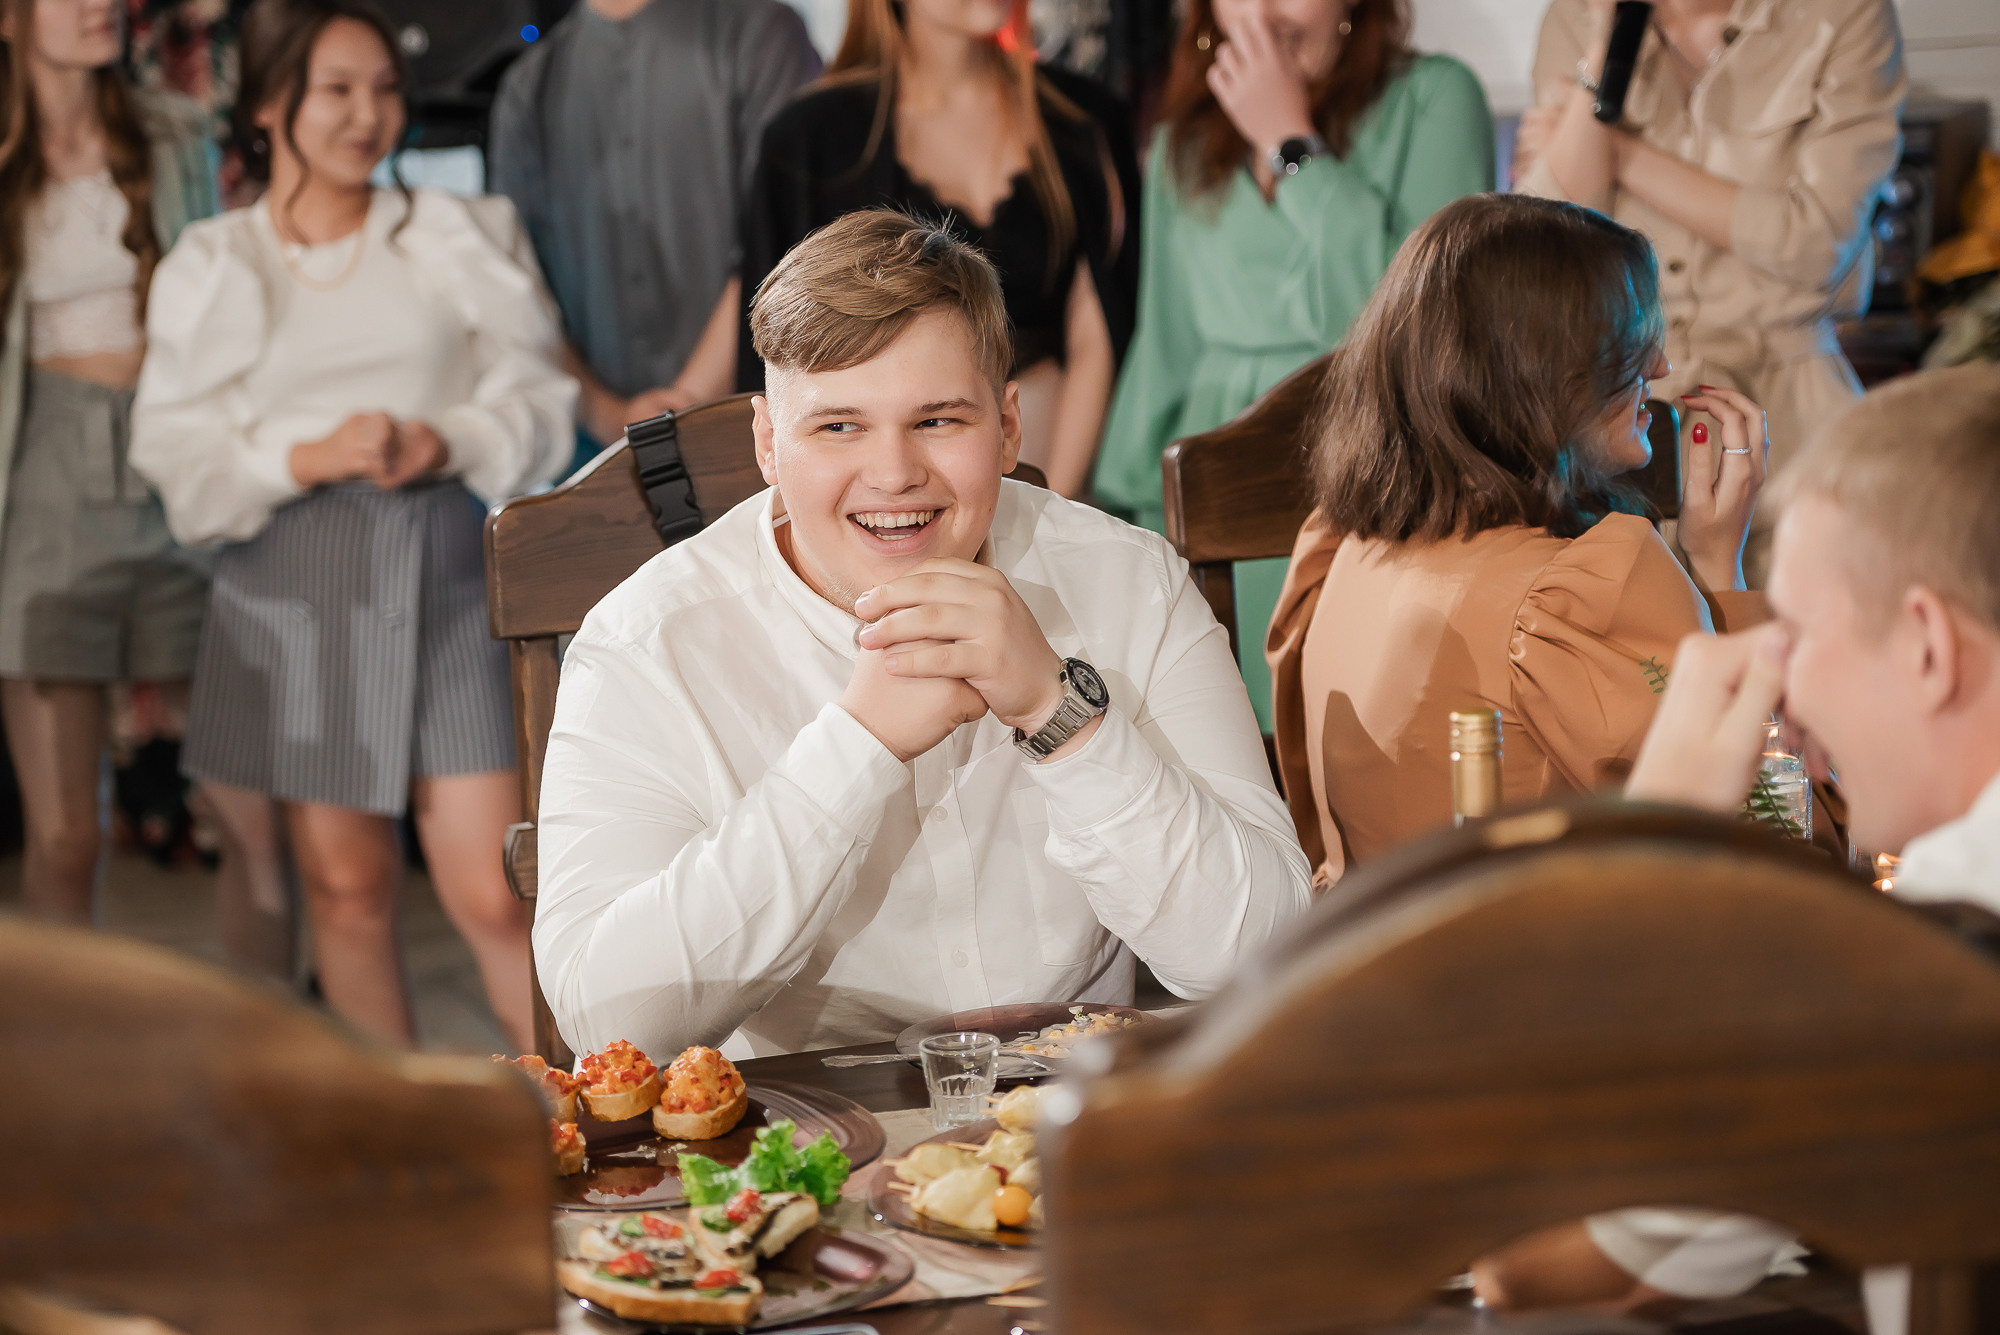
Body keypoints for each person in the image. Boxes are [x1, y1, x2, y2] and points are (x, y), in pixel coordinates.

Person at [534, 209, 1311, 1059]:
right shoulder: (645, 645)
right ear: (766, 443)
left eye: (938, 420)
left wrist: (1063, 717)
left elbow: (1258, 955)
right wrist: (855, 746)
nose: (896, 472)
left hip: (1071, 1125)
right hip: (799, 1144)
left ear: (1009, 426)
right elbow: (608, 1023)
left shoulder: (1131, 581)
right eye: (839, 425)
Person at [1475, 361, 2000, 1313]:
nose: (1782, 689)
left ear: (1928, 646)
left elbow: (1527, 1265)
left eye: (1794, 634)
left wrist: (1648, 862)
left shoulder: (1901, 961)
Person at [130, 0, 576, 1048]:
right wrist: (303, 455)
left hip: (448, 567)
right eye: (336, 89)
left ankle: (580, 1144)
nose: (366, 114)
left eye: (383, 89)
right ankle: (391, 1154)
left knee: (495, 890)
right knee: (346, 890)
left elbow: (537, 400)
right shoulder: (214, 259)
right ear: (273, 105)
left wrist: (446, 439)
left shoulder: (455, 232)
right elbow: (175, 449)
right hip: (294, 575)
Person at [1266, 194, 1769, 886]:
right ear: (1538, 370)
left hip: (1368, 965)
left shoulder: (1339, 545)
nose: (1659, 366)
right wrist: (1721, 570)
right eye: (1629, 339)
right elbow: (1770, 840)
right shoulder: (1583, 593)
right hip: (1540, 975)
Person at [1092, 0, 1493, 729]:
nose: (1268, 11)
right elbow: (1168, 346)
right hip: (1217, 498)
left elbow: (1430, 322)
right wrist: (1134, 529)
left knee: (1375, 744)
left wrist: (1289, 139)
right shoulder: (1185, 140)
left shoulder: (1436, 97)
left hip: (1383, 472)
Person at [1514, 0, 1904, 560]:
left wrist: (1620, 152)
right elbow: (1547, 237)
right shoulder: (1576, 16)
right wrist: (1604, 51)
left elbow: (1818, 245)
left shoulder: (1843, 14)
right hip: (1616, 411)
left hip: (1789, 405)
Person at [735, 0, 1141, 500]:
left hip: (1063, 465)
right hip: (882, 491)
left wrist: (1053, 509)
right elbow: (772, 358)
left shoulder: (1085, 119)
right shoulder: (809, 141)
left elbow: (1097, 332)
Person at [0, 0, 218, 923]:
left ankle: (270, 1054)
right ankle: (55, 1069)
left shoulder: (175, 133)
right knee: (65, 836)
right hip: (40, 461)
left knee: (246, 815)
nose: (100, 5)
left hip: (178, 453)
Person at [487, 0, 820, 452]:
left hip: (759, 422)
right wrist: (610, 418)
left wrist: (690, 401)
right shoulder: (529, 84)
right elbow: (515, 283)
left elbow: (792, 233)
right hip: (596, 444)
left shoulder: (762, 33)